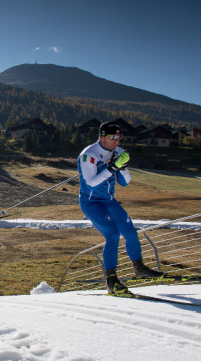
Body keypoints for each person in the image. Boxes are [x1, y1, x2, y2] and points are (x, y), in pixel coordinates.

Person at [77, 121, 162, 294]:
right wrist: (112, 167)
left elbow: (125, 182)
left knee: (130, 232)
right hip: (91, 202)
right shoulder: (88, 155)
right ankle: (111, 280)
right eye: (112, 137)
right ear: (101, 137)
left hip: (109, 200)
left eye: (119, 137)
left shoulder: (119, 152)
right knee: (113, 234)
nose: (116, 140)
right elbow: (91, 184)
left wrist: (122, 168)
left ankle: (139, 268)